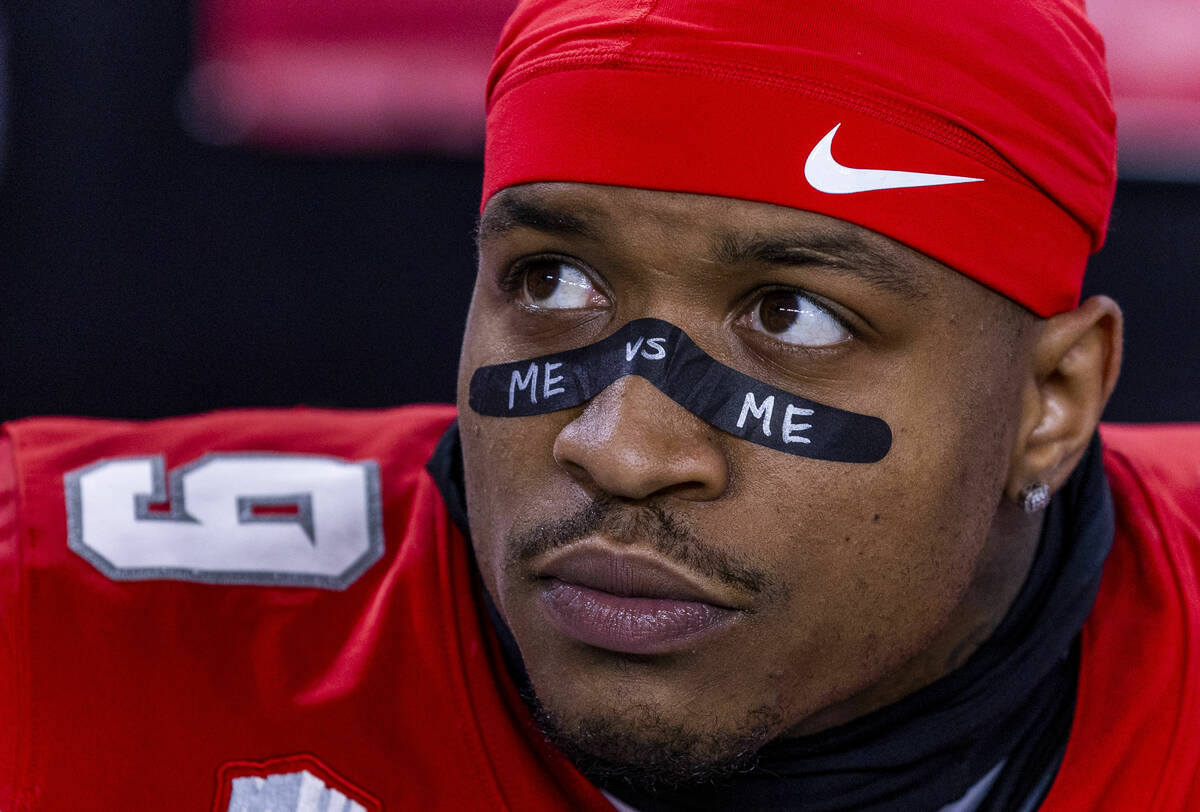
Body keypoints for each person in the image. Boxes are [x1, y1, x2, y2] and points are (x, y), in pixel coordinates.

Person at [1, 1, 1197, 810]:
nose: (619, 445)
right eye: (552, 282)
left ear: (1055, 397)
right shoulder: (62, 626)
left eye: (793, 316)